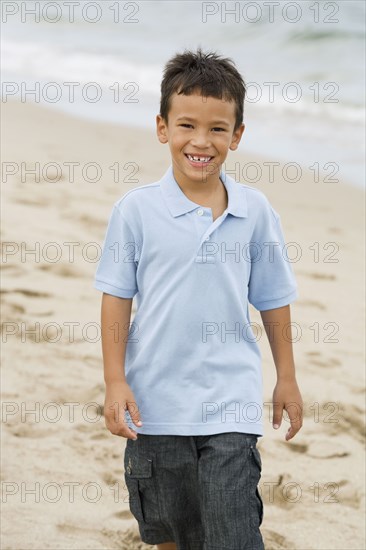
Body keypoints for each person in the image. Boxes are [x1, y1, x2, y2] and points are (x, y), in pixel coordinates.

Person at [94, 48, 303, 550]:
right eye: (187, 125)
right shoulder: (137, 211)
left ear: (237, 135)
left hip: (231, 404)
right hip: (154, 407)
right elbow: (116, 298)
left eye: (217, 129)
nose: (201, 142)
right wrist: (115, 379)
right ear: (163, 127)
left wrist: (288, 377)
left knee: (233, 532)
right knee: (172, 533)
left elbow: (273, 299)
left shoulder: (254, 212)